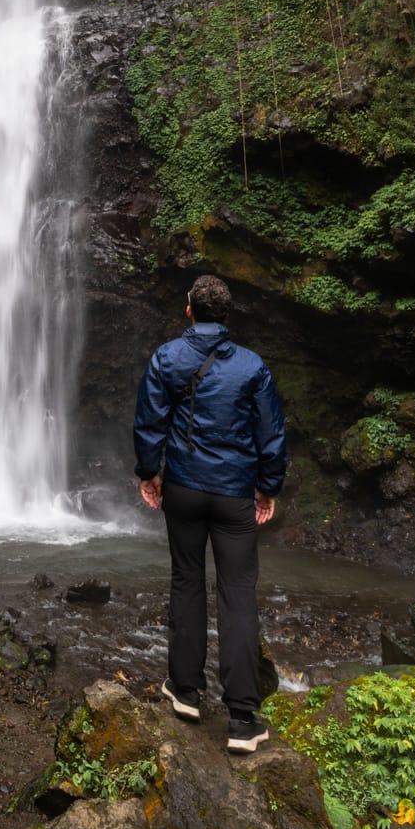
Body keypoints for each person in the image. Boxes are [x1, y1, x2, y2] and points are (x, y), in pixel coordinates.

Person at [133, 274, 287, 753]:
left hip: (182, 488)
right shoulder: (252, 367)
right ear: (226, 316)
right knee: (237, 593)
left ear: (189, 311)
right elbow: (271, 434)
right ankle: (243, 719)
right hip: (234, 494)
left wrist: (149, 473)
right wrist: (267, 487)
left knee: (187, 580)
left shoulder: (167, 357)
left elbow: (150, 420)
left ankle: (186, 692)